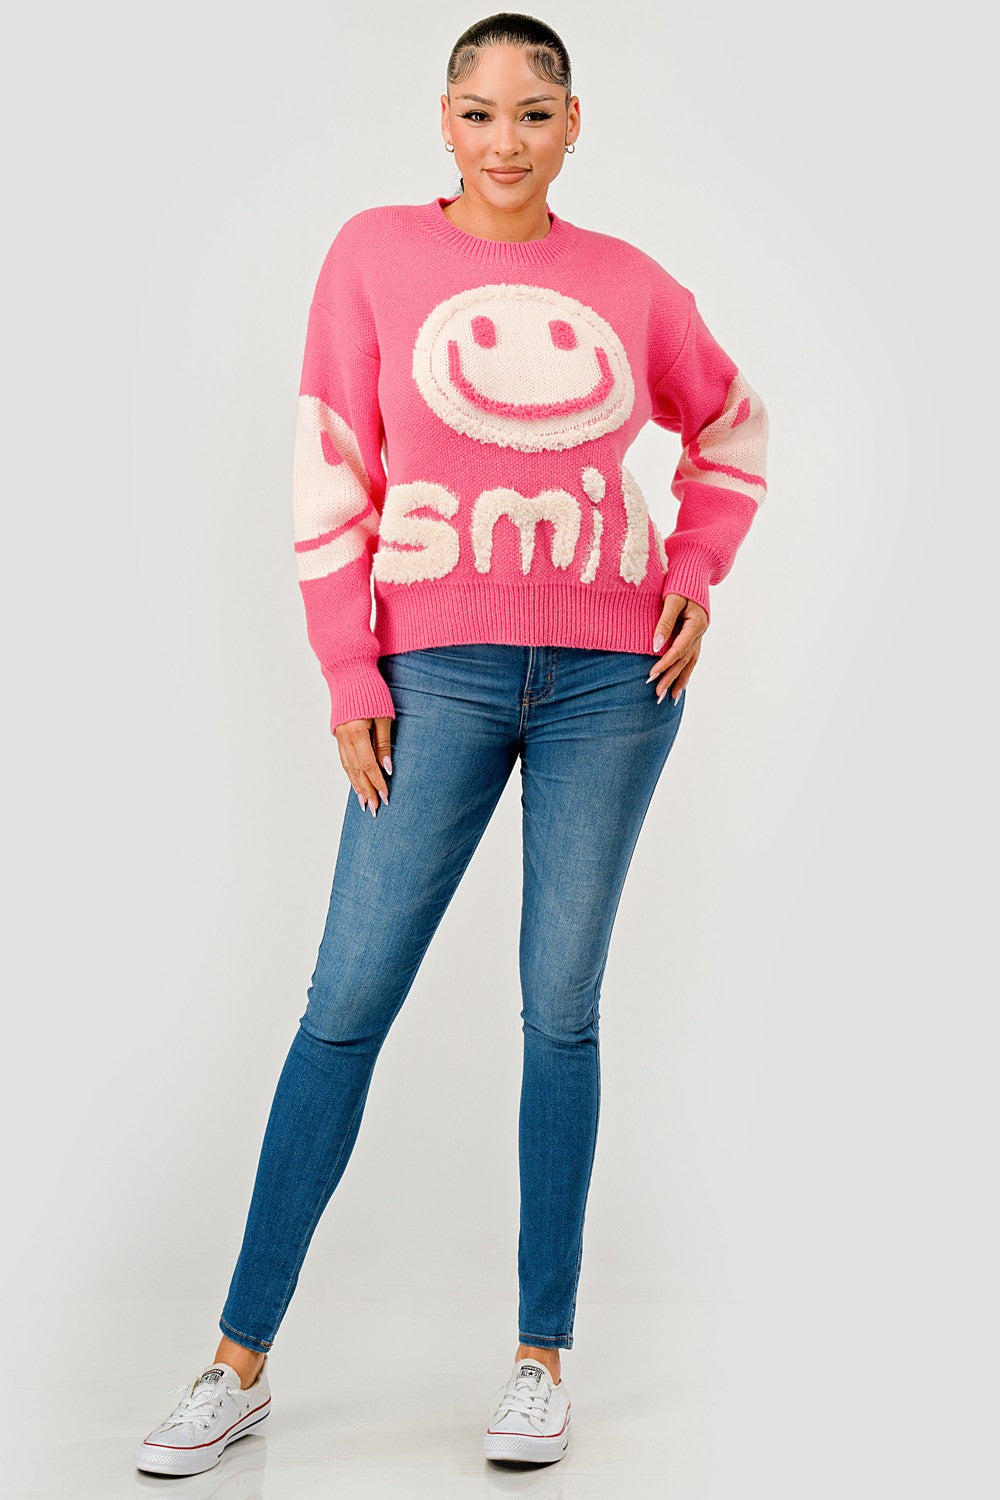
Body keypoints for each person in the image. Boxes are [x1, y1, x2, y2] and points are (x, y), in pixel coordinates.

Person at [136, 11, 769, 1477]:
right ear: (443, 120)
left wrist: (696, 568)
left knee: (562, 1007)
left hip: (615, 680)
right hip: (437, 674)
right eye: (479, 112)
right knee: (346, 1001)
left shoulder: (629, 283)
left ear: (572, 125)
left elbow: (732, 428)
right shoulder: (372, 256)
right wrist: (347, 666)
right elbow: (332, 465)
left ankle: (541, 1362)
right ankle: (237, 1362)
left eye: (534, 113)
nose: (505, 140)